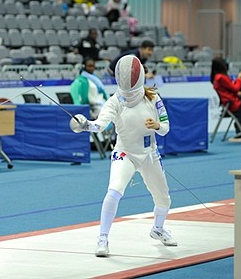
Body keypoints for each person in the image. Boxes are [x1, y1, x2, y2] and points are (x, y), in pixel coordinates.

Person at [70, 55, 176, 257]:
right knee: (114, 191)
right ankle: (103, 238)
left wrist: (157, 126)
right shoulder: (115, 101)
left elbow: (166, 129)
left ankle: (158, 229)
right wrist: (86, 125)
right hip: (125, 153)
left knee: (164, 199)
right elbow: (100, 125)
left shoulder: (154, 98)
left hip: (149, 154)